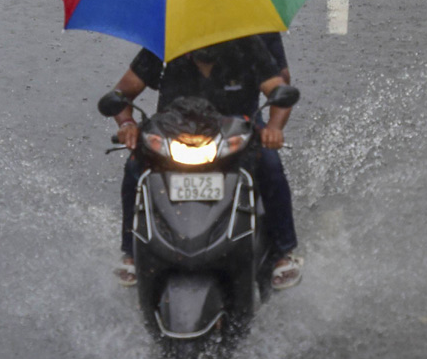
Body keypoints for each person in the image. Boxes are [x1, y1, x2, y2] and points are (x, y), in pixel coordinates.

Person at [109, 33, 303, 290]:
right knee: (135, 167)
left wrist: (275, 128)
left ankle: (282, 252)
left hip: (237, 133)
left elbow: (278, 90)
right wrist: (127, 125)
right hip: (175, 135)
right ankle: (131, 251)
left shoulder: (247, 45)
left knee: (269, 164)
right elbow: (122, 92)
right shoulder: (165, 45)